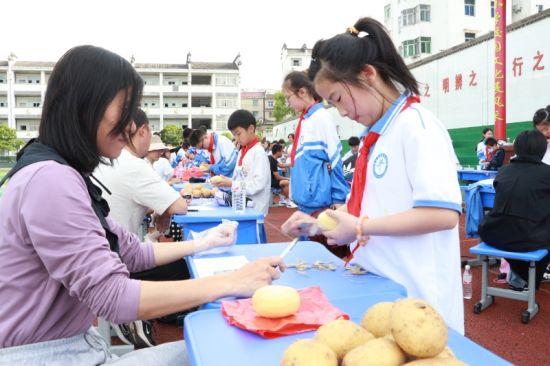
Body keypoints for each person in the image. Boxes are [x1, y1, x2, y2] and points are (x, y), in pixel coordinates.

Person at [0, 45, 284, 364]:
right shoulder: (51, 181)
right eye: (125, 108)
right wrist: (230, 282)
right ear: (85, 105)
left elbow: (131, 251)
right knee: (226, 350)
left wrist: (203, 243)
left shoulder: (60, 171)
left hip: (71, 346)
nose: (130, 126)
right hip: (46, 356)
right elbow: (113, 296)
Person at [281, 18, 464, 333]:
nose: (341, 112)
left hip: (418, 303)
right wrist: (321, 223)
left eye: (338, 98)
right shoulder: (376, 135)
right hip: (381, 290)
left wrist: (362, 226)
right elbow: (375, 209)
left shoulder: (417, 126)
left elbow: (443, 214)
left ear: (367, 74)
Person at [282, 70, 350, 257]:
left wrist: (338, 198)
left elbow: (335, 158)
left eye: (288, 98)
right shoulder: (305, 120)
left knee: (324, 259)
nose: (288, 103)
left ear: (302, 92)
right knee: (308, 259)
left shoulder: (321, 117)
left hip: (320, 204)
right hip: (306, 202)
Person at [479, 130, 550, 290]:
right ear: (542, 149)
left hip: (491, 233)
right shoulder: (547, 173)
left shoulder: (504, 170)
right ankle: (529, 276)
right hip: (526, 238)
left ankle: (520, 275)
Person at [211, 110, 271, 216]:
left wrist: (231, 184)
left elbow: (258, 185)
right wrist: (226, 181)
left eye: (238, 134)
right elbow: (239, 179)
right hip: (241, 206)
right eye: (234, 135)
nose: (236, 138)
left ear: (251, 129)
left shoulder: (258, 153)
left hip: (255, 209)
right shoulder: (242, 151)